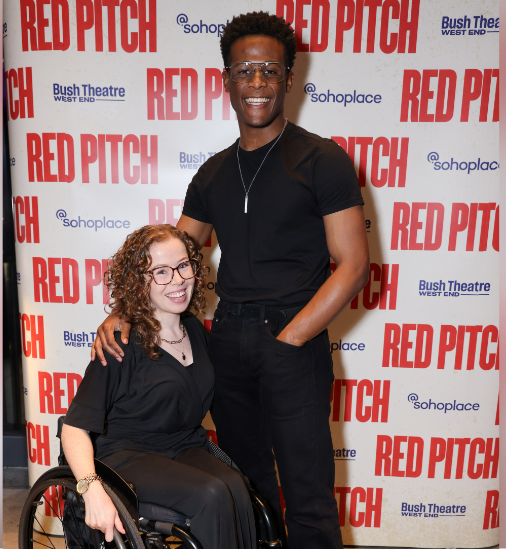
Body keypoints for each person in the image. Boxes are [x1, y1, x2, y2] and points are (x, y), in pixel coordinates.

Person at [92, 12, 370, 549]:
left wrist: (293, 336)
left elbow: (353, 265)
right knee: (247, 487)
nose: (258, 82)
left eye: (270, 69)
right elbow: (168, 255)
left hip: (294, 338)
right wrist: (124, 309)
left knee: (308, 493)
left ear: (289, 78)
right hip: (228, 345)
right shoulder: (213, 172)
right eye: (246, 70)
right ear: (227, 79)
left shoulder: (322, 160)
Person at [62, 224, 256, 549]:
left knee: (237, 486)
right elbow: (73, 429)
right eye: (161, 272)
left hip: (184, 445)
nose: (178, 280)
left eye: (183, 266)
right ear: (140, 282)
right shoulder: (119, 342)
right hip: (127, 453)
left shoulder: (195, 330)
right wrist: (90, 488)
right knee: (211, 495)